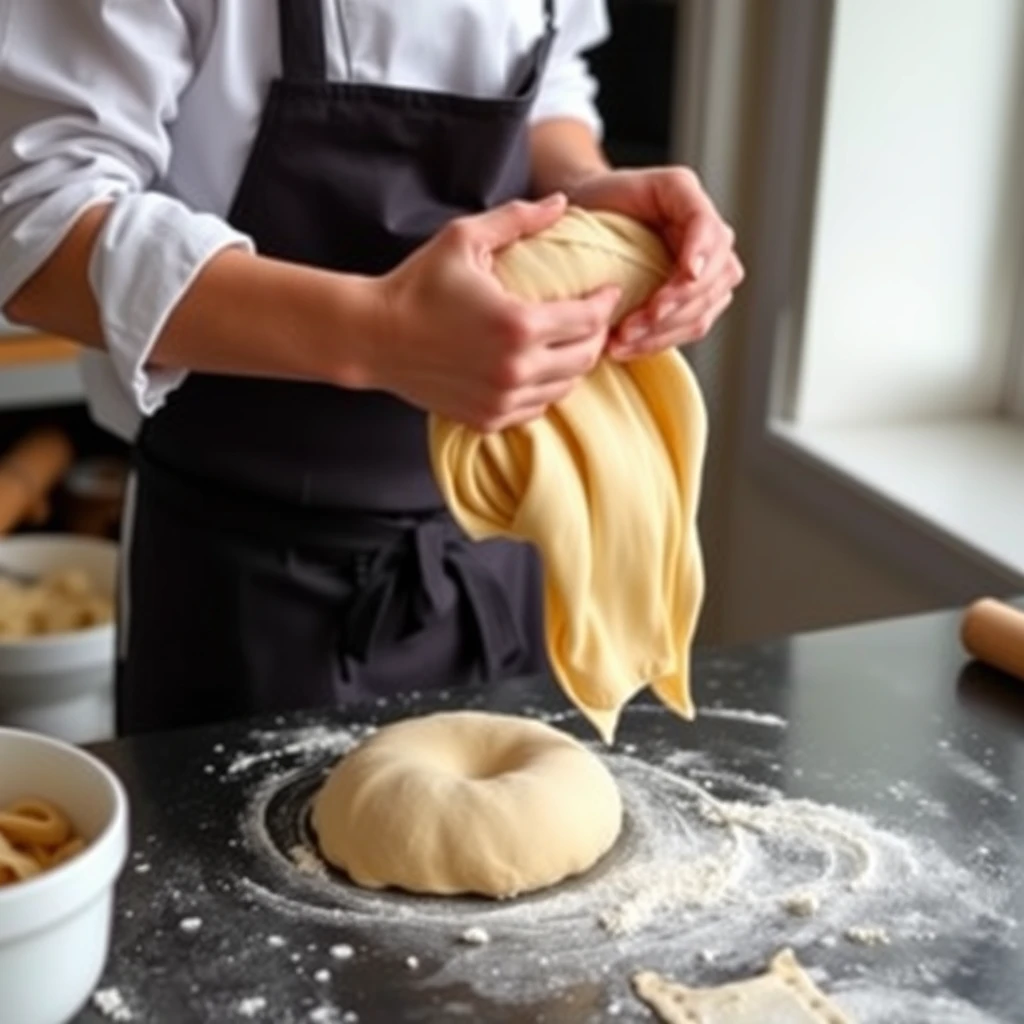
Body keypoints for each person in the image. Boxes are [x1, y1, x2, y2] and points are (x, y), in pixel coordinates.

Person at [0, 1, 743, 735]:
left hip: (507, 546)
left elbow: (548, 82)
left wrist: (579, 191)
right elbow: (36, 225)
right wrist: (380, 333)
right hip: (241, 579)